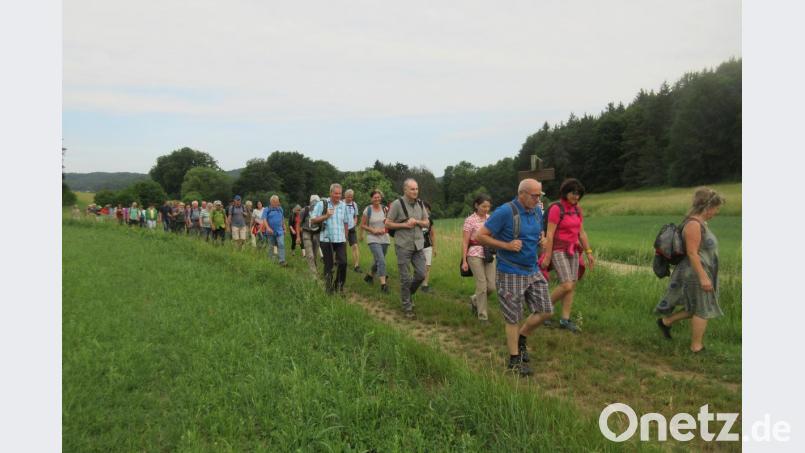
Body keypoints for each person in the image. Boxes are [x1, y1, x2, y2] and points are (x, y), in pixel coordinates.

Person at [476, 178, 552, 377]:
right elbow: (480, 236)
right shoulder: (504, 212)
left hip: (532, 269)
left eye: (539, 195)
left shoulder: (536, 210)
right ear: (522, 194)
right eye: (535, 195)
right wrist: (507, 246)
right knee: (513, 317)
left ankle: (522, 338)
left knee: (545, 310)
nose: (538, 199)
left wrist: (541, 240)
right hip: (510, 270)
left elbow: (537, 232)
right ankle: (514, 360)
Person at [655, 187, 726, 353]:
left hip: (700, 270)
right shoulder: (693, 224)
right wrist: (703, 277)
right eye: (716, 208)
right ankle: (696, 347)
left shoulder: (699, 222)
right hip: (695, 272)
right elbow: (692, 253)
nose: (716, 212)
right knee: (703, 309)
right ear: (708, 207)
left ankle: (665, 322)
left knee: (694, 307)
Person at [540, 178, 595, 333]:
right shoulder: (556, 208)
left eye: (578, 194)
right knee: (566, 284)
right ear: (565, 192)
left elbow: (581, 233)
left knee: (572, 285)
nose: (575, 197)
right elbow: (550, 234)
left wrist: (589, 252)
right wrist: (547, 256)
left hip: (573, 250)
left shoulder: (577, 209)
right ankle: (543, 309)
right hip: (558, 250)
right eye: (573, 193)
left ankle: (565, 320)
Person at [385, 178, 429, 318]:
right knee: (405, 278)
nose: (415, 191)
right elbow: (387, 223)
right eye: (412, 189)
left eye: (416, 189)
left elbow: (427, 223)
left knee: (421, 274)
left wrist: (417, 222)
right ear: (405, 190)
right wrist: (404, 225)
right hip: (403, 245)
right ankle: (407, 307)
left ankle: (408, 294)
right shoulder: (397, 204)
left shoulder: (421, 204)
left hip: (418, 244)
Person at [462, 194, 495, 323]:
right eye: (483, 206)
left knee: (491, 286)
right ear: (476, 205)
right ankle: (482, 316)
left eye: (488, 206)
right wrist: (464, 260)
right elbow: (465, 242)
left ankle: (475, 299)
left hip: (489, 253)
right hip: (474, 254)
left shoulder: (491, 219)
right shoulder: (469, 220)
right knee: (482, 285)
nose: (486, 209)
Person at [311, 184, 350, 293]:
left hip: (340, 239)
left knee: (343, 263)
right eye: (335, 193)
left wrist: (346, 236)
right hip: (326, 239)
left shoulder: (343, 206)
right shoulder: (321, 204)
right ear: (330, 193)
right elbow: (313, 220)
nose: (338, 195)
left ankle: (339, 286)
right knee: (329, 265)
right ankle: (328, 289)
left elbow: (346, 222)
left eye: (339, 193)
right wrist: (326, 216)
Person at [360, 189, 391, 293]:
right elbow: (363, 225)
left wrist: (384, 229)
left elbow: (391, 223)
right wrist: (373, 230)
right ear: (371, 199)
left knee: (377, 260)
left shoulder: (385, 209)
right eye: (375, 197)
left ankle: (369, 276)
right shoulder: (367, 210)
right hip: (372, 238)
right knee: (381, 260)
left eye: (379, 197)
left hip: (385, 238)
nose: (377, 199)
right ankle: (383, 285)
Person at [300, 195, 322, 275]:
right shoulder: (304, 211)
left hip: (316, 234)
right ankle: (314, 274)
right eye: (313, 201)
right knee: (310, 255)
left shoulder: (321, 212)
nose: (314, 203)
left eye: (316, 201)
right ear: (310, 201)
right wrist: (298, 237)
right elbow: (299, 223)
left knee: (315, 254)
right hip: (306, 233)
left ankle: (314, 268)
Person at [262, 195, 287, 266]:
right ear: (271, 202)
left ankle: (282, 261)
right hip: (270, 231)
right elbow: (264, 220)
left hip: (279, 231)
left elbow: (282, 219)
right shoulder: (267, 209)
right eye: (276, 202)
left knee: (281, 244)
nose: (278, 203)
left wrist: (284, 228)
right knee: (271, 246)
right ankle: (271, 261)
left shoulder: (280, 209)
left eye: (278, 202)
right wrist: (268, 228)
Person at [420, 201, 436, 293]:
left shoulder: (430, 221)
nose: (427, 212)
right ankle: (417, 281)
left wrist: (434, 248)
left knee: (427, 266)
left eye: (428, 210)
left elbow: (432, 234)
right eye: (425, 210)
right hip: (417, 247)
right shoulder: (416, 220)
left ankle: (425, 285)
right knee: (419, 267)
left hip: (427, 246)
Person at [344, 189, 362, 273]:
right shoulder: (341, 204)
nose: (350, 198)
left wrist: (354, 223)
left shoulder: (354, 205)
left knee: (355, 246)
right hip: (342, 229)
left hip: (351, 228)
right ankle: (338, 261)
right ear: (345, 196)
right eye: (348, 197)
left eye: (351, 197)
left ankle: (356, 266)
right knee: (341, 247)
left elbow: (356, 216)